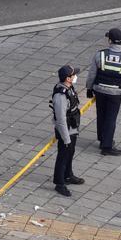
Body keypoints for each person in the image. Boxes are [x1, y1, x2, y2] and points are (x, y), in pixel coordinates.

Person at [87, 28, 121, 156]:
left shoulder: (100, 55)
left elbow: (92, 74)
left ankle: (102, 139)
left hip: (100, 90)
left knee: (101, 115)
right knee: (111, 118)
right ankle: (107, 147)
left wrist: (89, 88)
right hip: (115, 93)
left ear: (109, 40)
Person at [51, 64, 84, 197]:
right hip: (66, 131)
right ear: (68, 78)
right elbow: (60, 119)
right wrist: (66, 139)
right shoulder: (60, 96)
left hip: (72, 128)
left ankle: (68, 175)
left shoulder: (68, 88)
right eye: (73, 75)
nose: (75, 76)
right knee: (63, 156)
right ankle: (60, 183)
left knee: (70, 153)